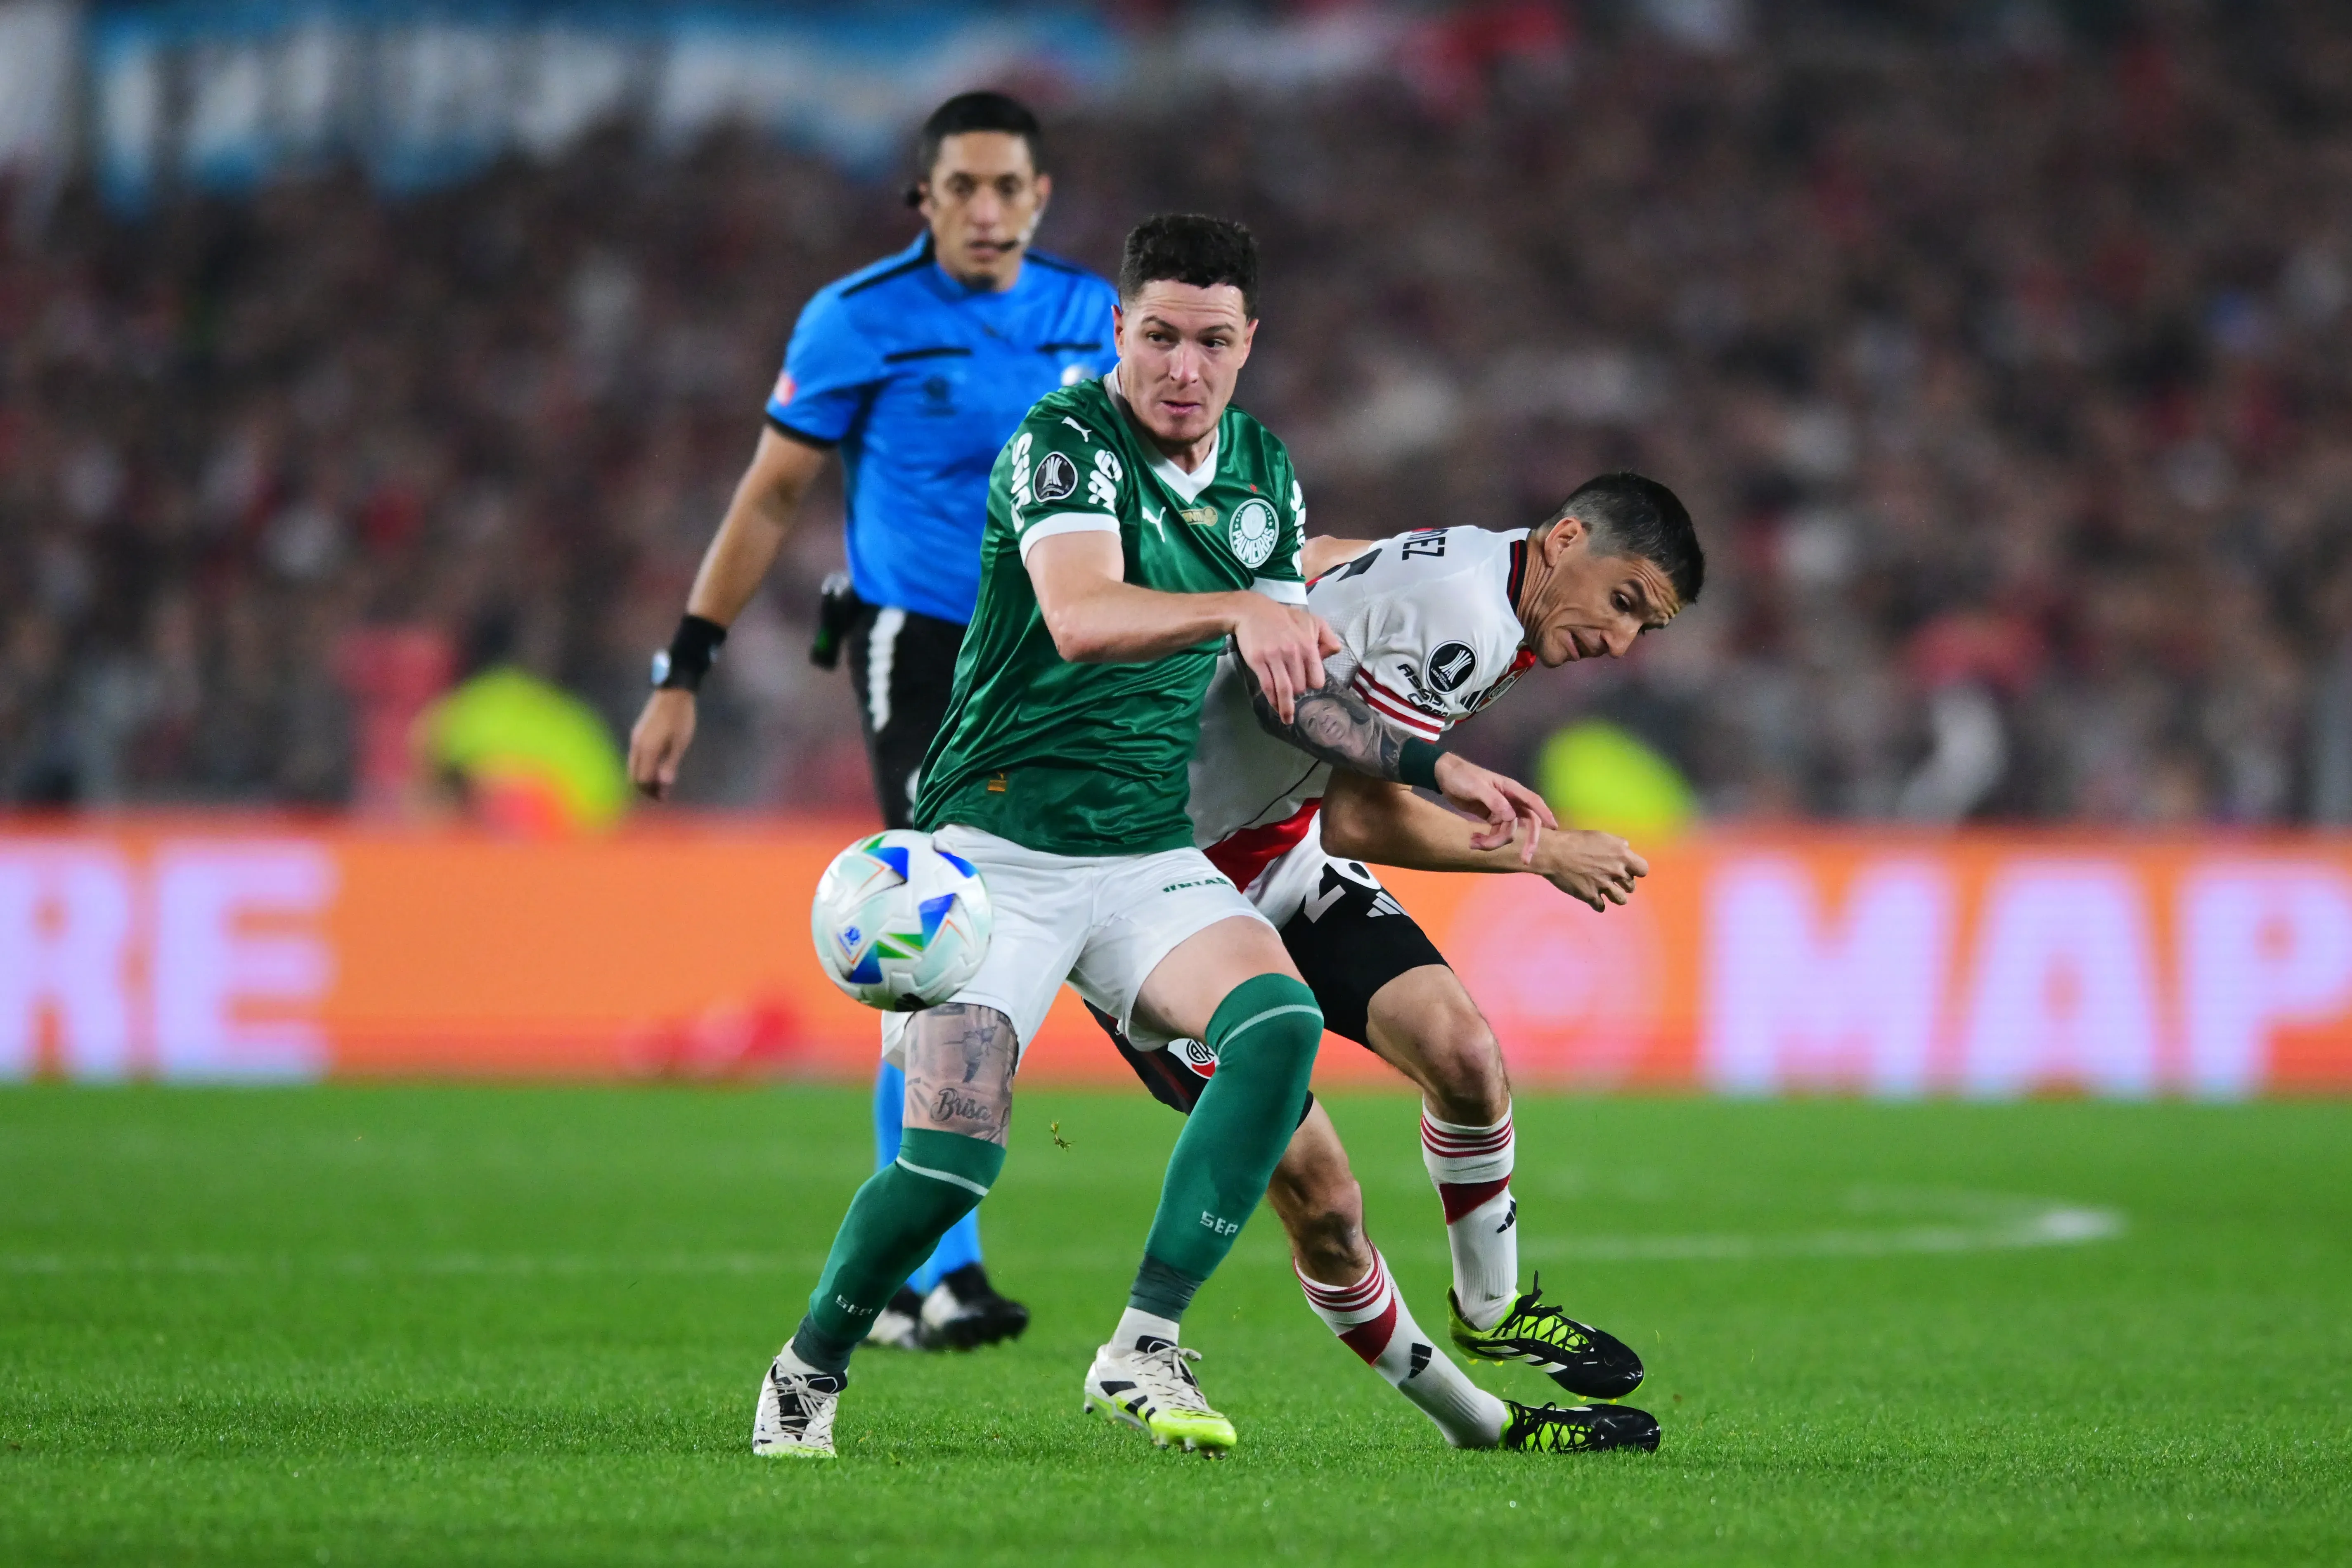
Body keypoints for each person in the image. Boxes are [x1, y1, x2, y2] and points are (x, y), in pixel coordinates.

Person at [748, 213, 1555, 1460]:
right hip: (993, 858)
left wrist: (1444, 767)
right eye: (1162, 336)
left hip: (1143, 855)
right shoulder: (1062, 443)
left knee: (1280, 1024)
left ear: (1247, 347)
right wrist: (1240, 603)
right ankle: (810, 1363)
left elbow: (1301, 687)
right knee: (950, 1169)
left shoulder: (1263, 471)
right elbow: (1076, 615)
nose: (1185, 366)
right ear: (1120, 331)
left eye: (1213, 342)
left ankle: (1143, 1342)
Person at [627, 91, 1118, 1352]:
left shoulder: (1088, 316)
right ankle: (932, 1272)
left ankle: (923, 1270)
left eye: (1010, 186)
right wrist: (685, 667)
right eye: (963, 187)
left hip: (1064, 646)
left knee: (1047, 915)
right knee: (937, 917)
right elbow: (770, 495)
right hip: (923, 644)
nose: (989, 209)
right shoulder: (858, 322)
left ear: (1042, 196)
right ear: (925, 199)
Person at [1092, 473, 1703, 1454]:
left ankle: (1492, 1307)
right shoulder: (1466, 612)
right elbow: (1364, 813)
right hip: (1158, 903)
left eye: (1646, 627)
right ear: (1565, 540)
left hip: (1276, 851)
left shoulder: (1491, 566)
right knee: (1326, 1204)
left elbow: (1329, 558)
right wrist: (1547, 854)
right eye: (1622, 601)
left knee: (1462, 1053)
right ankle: (1481, 1424)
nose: (1621, 642)